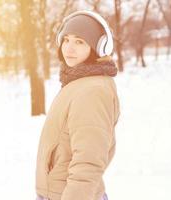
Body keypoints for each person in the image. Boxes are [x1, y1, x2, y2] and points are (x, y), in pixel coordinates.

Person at [35, 10, 121, 200]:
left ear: (98, 47)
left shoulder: (92, 91)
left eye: (79, 42)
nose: (69, 48)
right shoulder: (78, 83)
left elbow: (88, 161)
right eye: (66, 40)